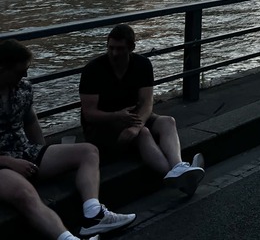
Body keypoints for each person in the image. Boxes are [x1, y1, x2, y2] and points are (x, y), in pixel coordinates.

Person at [0, 39, 136, 240]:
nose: (26, 76)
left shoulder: (23, 88)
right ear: (2, 68)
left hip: (24, 150)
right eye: (20, 71)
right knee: (25, 194)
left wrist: (42, 152)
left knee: (88, 151)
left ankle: (93, 215)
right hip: (2, 163)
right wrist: (9, 162)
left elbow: (30, 121)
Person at [79, 25, 205, 196]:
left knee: (167, 121)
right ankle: (180, 178)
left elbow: (146, 104)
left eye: (120, 49)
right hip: (102, 125)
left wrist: (134, 127)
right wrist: (118, 116)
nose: (114, 53)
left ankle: (178, 167)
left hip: (132, 117)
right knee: (144, 133)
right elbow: (89, 114)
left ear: (131, 48)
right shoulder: (93, 70)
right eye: (111, 48)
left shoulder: (142, 65)